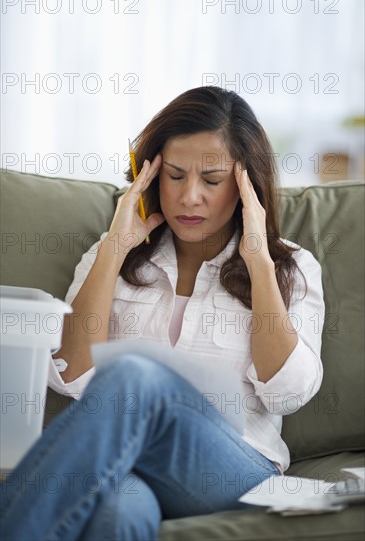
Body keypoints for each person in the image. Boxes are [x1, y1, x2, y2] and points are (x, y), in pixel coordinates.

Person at [1, 86, 325, 540]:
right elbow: (70, 375)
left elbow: (287, 394)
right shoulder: (112, 255)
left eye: (211, 181)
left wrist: (257, 260)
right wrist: (114, 247)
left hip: (235, 470)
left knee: (136, 376)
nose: (190, 197)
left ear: (245, 185)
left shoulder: (290, 267)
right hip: (133, 466)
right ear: (151, 177)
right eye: (174, 176)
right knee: (118, 516)